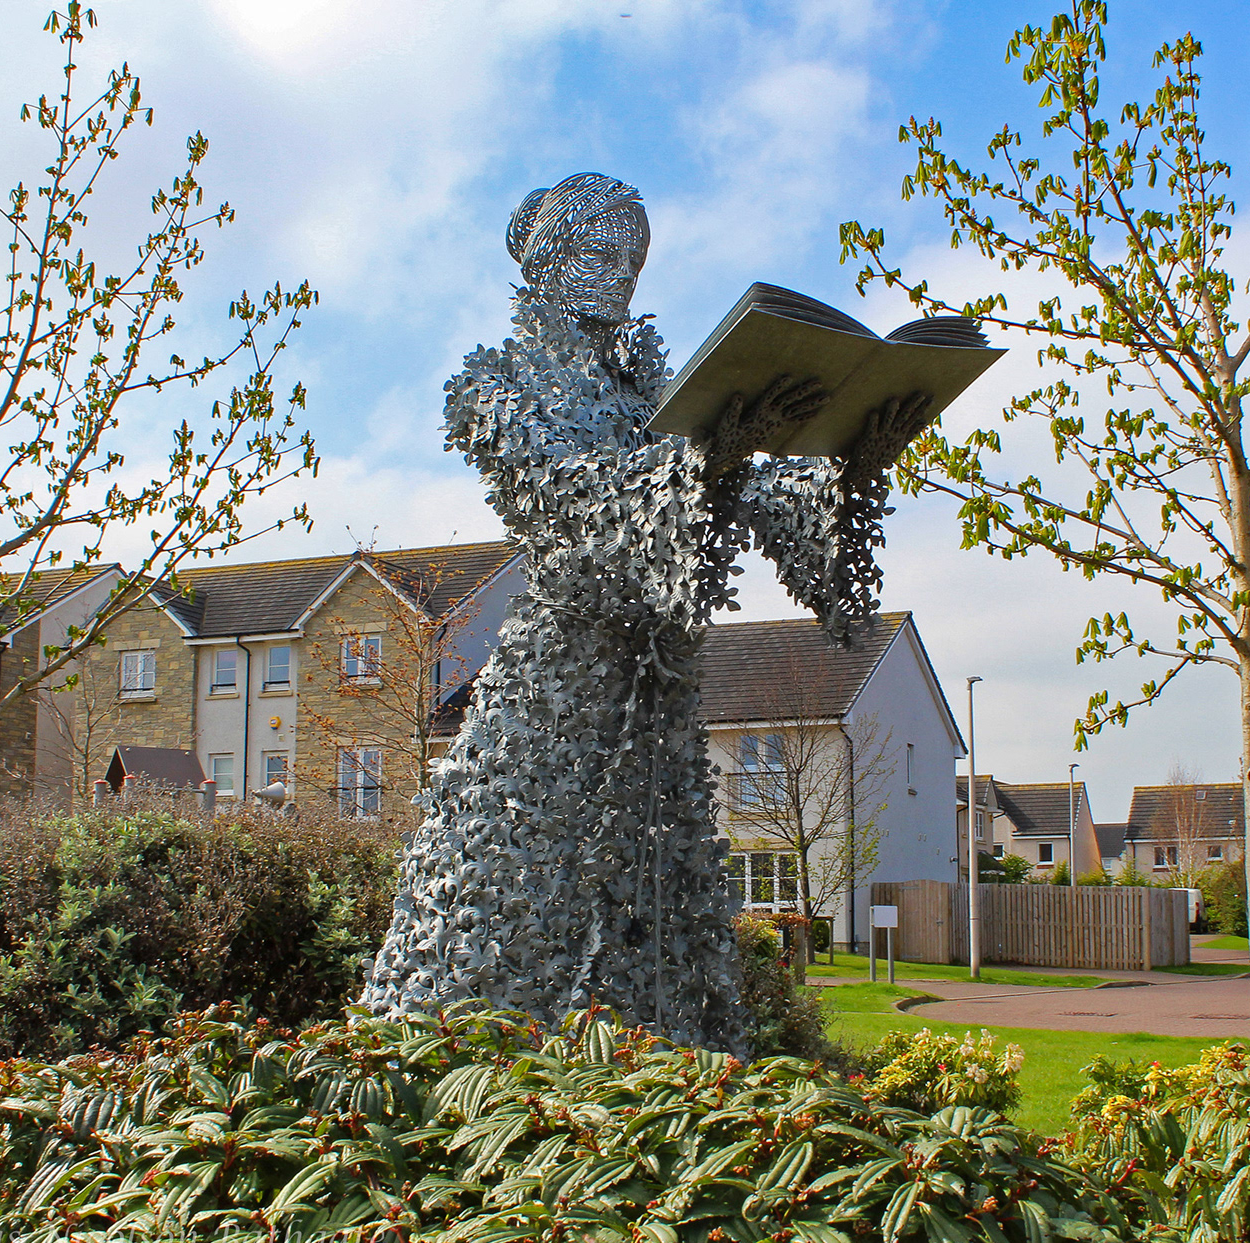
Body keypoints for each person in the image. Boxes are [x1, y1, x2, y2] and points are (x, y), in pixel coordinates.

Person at [361, 174, 932, 1050]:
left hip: (655, 716)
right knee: (520, 898)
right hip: (553, 706)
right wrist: (709, 458)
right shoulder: (498, 389)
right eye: (598, 251)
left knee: (662, 922)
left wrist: (852, 459)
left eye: (633, 258)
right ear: (548, 258)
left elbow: (763, 499)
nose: (617, 274)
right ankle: (465, 1069)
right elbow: (579, 501)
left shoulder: (656, 404)